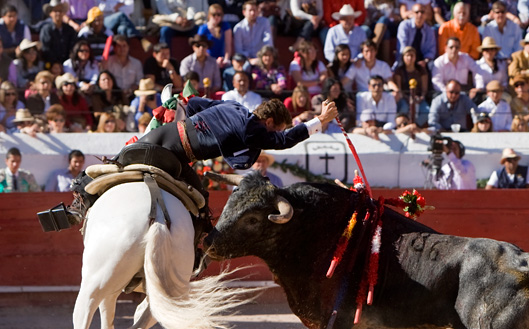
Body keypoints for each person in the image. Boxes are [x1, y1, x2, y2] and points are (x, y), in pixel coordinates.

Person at [63, 96, 339, 225]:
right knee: (201, 204)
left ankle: (79, 203)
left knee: (117, 163)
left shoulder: (232, 104)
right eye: (275, 128)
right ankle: (198, 252)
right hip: (178, 157)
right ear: (268, 121)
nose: (273, 135)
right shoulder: (253, 127)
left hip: (163, 135)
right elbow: (284, 141)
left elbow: (193, 103)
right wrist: (319, 121)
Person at [393, 45, 429, 126]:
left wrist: (421, 97)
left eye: (412, 55)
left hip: (419, 98)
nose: (410, 58)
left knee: (426, 110)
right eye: (407, 55)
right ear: (403, 57)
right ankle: (403, 126)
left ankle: (415, 125)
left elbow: (424, 88)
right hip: (405, 98)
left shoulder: (421, 70)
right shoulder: (399, 71)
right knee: (404, 108)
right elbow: (399, 89)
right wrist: (408, 98)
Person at [233, 0, 273, 65]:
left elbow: (268, 42)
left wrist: (263, 56)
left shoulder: (264, 22)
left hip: (262, 59)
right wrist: (250, 60)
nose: (252, 13)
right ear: (244, 12)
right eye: (250, 10)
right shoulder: (238, 28)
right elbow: (239, 50)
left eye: (254, 10)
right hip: (245, 60)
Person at [105, 34, 144, 100]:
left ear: (128, 47)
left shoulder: (136, 63)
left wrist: (133, 88)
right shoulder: (108, 62)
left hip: (132, 96)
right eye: (119, 46)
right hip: (113, 96)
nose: (122, 49)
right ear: (114, 48)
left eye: (124, 46)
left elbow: (140, 81)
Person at [39, 0, 77, 65]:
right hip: (51, 64)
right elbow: (46, 49)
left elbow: (73, 47)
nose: (58, 13)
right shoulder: (46, 30)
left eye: (60, 11)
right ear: (50, 13)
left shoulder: (69, 30)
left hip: (68, 63)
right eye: (55, 11)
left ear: (63, 13)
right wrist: (55, 63)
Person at [197, 3, 232, 68]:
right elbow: (200, 47)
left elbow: (228, 45)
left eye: (219, 15)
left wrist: (226, 59)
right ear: (209, 15)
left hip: (222, 59)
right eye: (214, 14)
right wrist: (213, 62)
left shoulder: (225, 26)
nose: (216, 17)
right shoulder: (203, 28)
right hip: (207, 60)